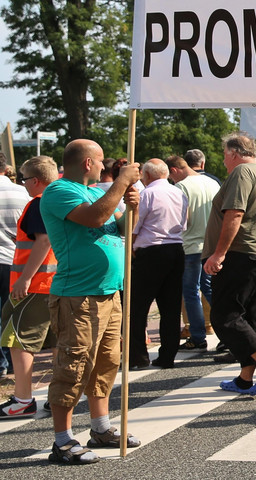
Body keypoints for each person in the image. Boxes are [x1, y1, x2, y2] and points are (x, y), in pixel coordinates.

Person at [41, 140, 141, 463]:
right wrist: (122, 181)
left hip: (109, 293)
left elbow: (122, 228)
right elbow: (96, 219)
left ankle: (100, 427)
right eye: (100, 162)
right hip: (77, 296)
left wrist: (133, 206)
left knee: (105, 364)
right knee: (73, 365)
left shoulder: (100, 191)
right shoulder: (58, 192)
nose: (103, 167)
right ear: (87, 163)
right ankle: (62, 440)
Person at [203, 133, 256, 396]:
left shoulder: (241, 172)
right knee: (252, 316)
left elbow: (235, 214)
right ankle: (245, 376)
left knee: (224, 316)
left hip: (244, 252)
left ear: (234, 153)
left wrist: (218, 254)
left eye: (225, 154)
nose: (224, 160)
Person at [0, 156, 58, 418]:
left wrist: (24, 278)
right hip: (56, 282)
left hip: (35, 285)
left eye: (24, 179)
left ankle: (23, 399)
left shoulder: (37, 203)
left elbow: (42, 241)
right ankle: (57, 394)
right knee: (58, 343)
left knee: (18, 340)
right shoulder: (60, 199)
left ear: (35, 181)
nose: (22, 184)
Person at [128, 159, 187, 370]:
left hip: (150, 251)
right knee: (170, 308)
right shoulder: (179, 193)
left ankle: (138, 357)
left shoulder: (147, 194)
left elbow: (134, 225)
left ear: (148, 175)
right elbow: (184, 222)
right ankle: (168, 356)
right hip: (175, 248)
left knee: (137, 307)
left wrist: (131, 249)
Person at [167, 154, 220, 352]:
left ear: (174, 170)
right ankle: (226, 329)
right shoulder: (212, 182)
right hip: (212, 244)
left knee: (191, 291)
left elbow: (183, 220)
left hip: (191, 245)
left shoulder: (181, 187)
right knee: (211, 289)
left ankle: (197, 336)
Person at [0, 153, 29, 379]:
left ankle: (1, 362)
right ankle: (13, 360)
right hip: (19, 262)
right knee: (15, 314)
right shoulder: (23, 192)